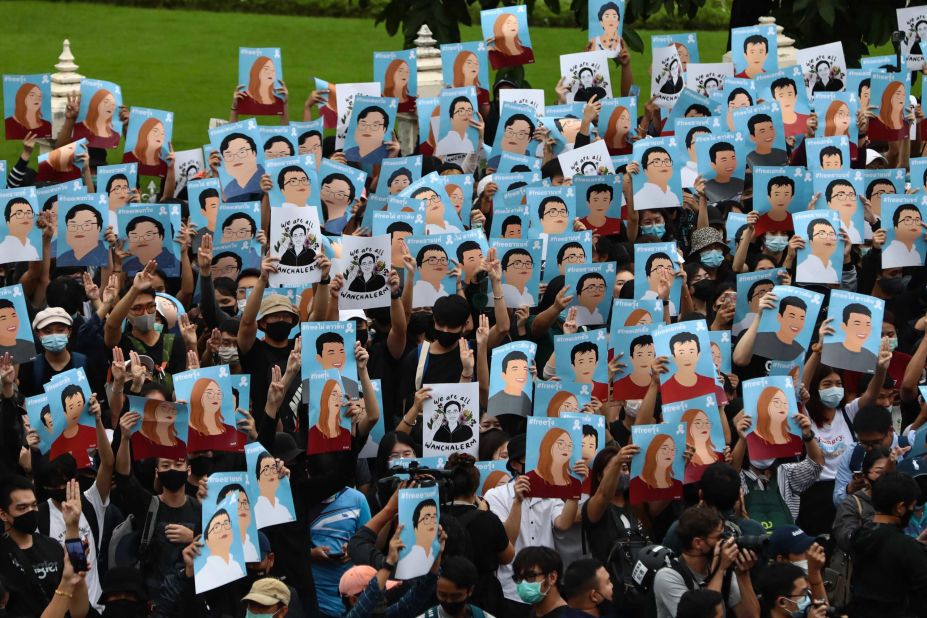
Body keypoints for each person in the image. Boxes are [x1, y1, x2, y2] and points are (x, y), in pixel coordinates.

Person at [652, 506, 759, 618]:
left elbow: (752, 616)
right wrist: (719, 570)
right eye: (719, 537)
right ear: (698, 543)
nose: (725, 541)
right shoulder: (668, 576)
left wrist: (742, 575)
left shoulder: (724, 567)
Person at [849, 471, 927, 617]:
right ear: (900, 507)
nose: (911, 510)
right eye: (912, 506)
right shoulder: (907, 548)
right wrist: (916, 550)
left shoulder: (859, 534)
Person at [187, 377, 245, 452]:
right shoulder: (188, 431)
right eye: (210, 393)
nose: (215, 397)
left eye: (218, 393)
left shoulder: (230, 430)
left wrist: (254, 436)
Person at [744, 386, 802, 459]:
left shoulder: (795, 439)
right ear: (765, 404)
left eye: (785, 402)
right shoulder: (751, 438)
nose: (782, 406)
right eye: (777, 402)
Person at [524, 427, 582, 500]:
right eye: (561, 444)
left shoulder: (575, 483)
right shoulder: (529, 479)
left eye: (570, 446)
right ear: (548, 445)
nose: (566, 449)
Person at [660, 331, 717, 404]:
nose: (687, 357)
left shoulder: (710, 383)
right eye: (681, 353)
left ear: (698, 355)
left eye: (691, 352)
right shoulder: (666, 387)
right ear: (674, 357)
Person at [822, 303, 878, 372]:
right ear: (844, 326)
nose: (863, 329)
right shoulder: (827, 349)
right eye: (857, 324)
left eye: (867, 324)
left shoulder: (872, 357)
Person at [751, 294, 808, 362]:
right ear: (779, 317)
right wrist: (758, 315)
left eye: (802, 318)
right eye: (792, 317)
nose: (797, 323)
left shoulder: (800, 351)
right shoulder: (760, 337)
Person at [629, 434, 682, 501]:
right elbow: (653, 511)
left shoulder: (677, 483)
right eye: (665, 448)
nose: (670, 453)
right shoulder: (636, 483)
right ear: (654, 450)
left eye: (673, 449)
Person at [395, 498, 439, 579]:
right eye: (426, 518)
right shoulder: (405, 563)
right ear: (415, 528)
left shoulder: (435, 557)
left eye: (434, 517)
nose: (432, 522)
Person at [57, 202, 107, 267]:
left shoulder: (107, 257)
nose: (79, 230)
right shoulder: (62, 259)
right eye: (73, 225)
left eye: (87, 225)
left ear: (99, 228)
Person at [219, 132, 265, 201]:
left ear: (254, 153)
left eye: (242, 152)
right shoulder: (229, 188)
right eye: (229, 155)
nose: (236, 158)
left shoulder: (266, 179)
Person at [309, 378, 351, 452]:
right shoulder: (313, 433)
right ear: (326, 397)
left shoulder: (346, 433)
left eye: (341, 395)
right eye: (334, 394)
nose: (338, 398)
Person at [487, 350, 532, 417]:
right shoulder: (493, 401)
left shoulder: (527, 399)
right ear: (504, 375)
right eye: (515, 369)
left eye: (525, 369)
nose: (521, 373)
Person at [797, 218, 839, 284]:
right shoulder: (801, 269)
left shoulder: (833, 271)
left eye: (832, 234)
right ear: (811, 242)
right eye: (822, 234)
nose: (828, 238)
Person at [882, 203, 924, 267]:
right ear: (896, 227)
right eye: (907, 220)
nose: (914, 224)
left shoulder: (916, 254)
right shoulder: (889, 253)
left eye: (917, 220)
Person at [0, 196, 39, 261]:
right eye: (19, 213)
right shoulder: (2, 249)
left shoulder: (32, 249)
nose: (25, 217)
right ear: (8, 222)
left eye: (29, 213)